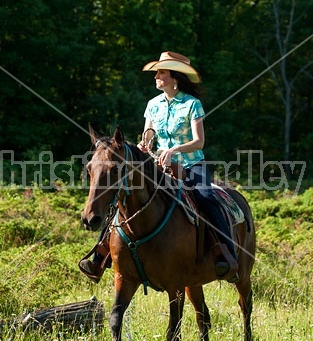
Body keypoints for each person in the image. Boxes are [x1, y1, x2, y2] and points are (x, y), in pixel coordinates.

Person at [79, 51, 238, 284]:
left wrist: (174, 150)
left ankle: (225, 254)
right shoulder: (153, 105)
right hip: (158, 165)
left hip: (191, 163)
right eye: (157, 72)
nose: (156, 76)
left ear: (174, 77)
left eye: (161, 72)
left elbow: (199, 141)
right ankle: (101, 255)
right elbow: (148, 135)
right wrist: (145, 143)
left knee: (206, 197)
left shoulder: (192, 104)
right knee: (123, 195)